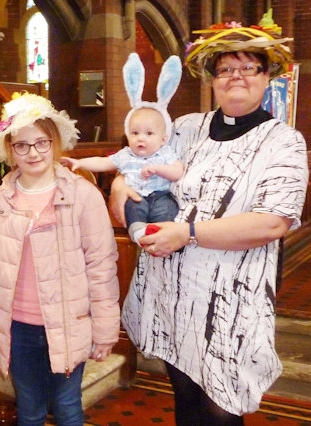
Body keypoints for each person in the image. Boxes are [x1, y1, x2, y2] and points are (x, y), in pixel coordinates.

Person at [110, 17, 309, 425]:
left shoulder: (283, 141)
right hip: (172, 295)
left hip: (231, 303)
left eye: (248, 67)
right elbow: (139, 160)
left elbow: (273, 222)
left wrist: (189, 233)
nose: (236, 76)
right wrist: (117, 186)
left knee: (222, 409)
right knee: (184, 397)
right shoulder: (185, 128)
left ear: (266, 75)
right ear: (212, 79)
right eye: (225, 69)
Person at [0, 93, 121, 425]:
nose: (33, 153)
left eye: (41, 143)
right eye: (22, 145)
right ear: (10, 149)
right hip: (18, 326)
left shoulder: (82, 195)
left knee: (68, 404)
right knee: (29, 407)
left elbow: (101, 267)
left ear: (55, 143)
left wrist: (104, 329)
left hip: (69, 322)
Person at [62, 53, 184, 245]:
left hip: (160, 194)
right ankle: (137, 231)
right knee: (132, 207)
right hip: (136, 196)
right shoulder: (126, 155)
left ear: (163, 138)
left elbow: (178, 172)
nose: (140, 138)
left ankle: (161, 231)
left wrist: (159, 169)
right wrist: (79, 162)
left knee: (167, 207)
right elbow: (103, 162)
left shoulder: (165, 153)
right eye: (135, 133)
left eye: (149, 134)